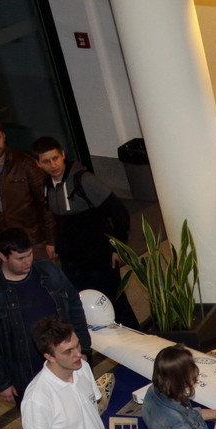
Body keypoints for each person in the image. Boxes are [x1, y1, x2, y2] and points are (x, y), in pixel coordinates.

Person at [0, 228, 91, 406]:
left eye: (29, 254)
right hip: (25, 377)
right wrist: (1, 382)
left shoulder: (49, 271)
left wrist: (84, 350)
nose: (28, 261)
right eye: (20, 258)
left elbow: (74, 305)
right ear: (3, 256)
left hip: (67, 365)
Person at [31, 135, 136, 328]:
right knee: (82, 307)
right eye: (46, 161)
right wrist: (53, 242)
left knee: (116, 305)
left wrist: (117, 248)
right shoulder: (46, 186)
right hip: (72, 262)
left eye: (55, 158)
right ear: (38, 163)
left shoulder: (85, 181)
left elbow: (120, 213)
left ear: (63, 155)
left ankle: (135, 341)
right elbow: (55, 219)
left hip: (100, 258)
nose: (53, 165)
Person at [0, 116, 53, 260]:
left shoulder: (25, 163)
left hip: (32, 239)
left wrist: (51, 240)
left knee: (41, 273)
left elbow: (47, 203)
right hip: (3, 241)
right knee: (10, 274)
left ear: (4, 136)